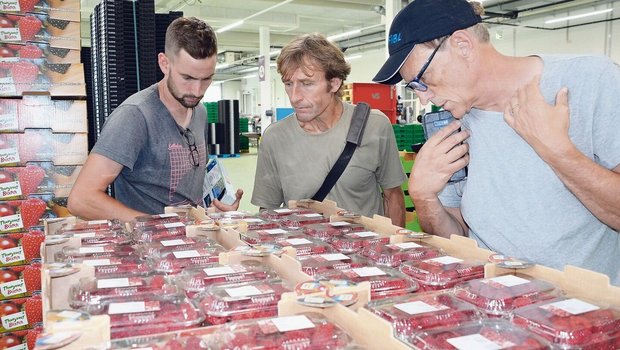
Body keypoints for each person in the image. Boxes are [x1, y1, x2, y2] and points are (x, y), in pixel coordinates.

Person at [374, 0, 620, 284]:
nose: (423, 98)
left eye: (422, 80)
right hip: (490, 308)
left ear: (463, 45)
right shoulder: (453, 125)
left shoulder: (590, 82)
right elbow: (456, 242)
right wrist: (424, 197)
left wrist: (559, 153)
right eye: (414, 88)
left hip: (585, 315)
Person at [68, 17, 242, 222]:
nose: (197, 91)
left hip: (190, 241)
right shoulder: (134, 116)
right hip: (146, 248)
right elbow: (81, 199)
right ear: (164, 63)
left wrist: (214, 206)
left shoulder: (200, 111)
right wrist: (156, 226)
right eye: (187, 78)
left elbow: (189, 186)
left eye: (207, 79)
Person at [251, 33, 407, 226]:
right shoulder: (275, 137)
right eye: (289, 84)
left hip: (364, 252)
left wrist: (396, 250)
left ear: (334, 83)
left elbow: (393, 196)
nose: (294, 97)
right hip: (306, 252)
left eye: (307, 84)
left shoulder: (373, 125)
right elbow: (268, 213)